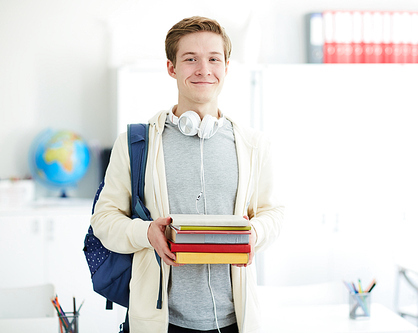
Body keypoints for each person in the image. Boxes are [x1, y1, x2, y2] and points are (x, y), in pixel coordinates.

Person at [91, 16, 284, 333]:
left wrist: (255, 235)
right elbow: (104, 219)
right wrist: (146, 233)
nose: (204, 69)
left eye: (213, 59)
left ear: (226, 67)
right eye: (190, 59)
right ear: (172, 68)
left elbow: (273, 211)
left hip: (236, 320)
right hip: (162, 321)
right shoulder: (138, 143)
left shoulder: (253, 145)